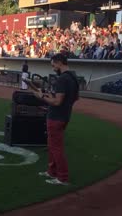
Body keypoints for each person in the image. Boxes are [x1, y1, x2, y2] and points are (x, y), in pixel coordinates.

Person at [33, 53, 79, 186]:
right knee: (52, 146)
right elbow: (74, 98)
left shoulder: (62, 79)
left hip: (56, 117)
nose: (53, 68)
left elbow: (57, 102)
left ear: (59, 63)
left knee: (56, 148)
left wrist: (41, 97)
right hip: (64, 116)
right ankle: (52, 172)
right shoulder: (73, 77)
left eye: (54, 65)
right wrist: (51, 97)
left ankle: (62, 177)